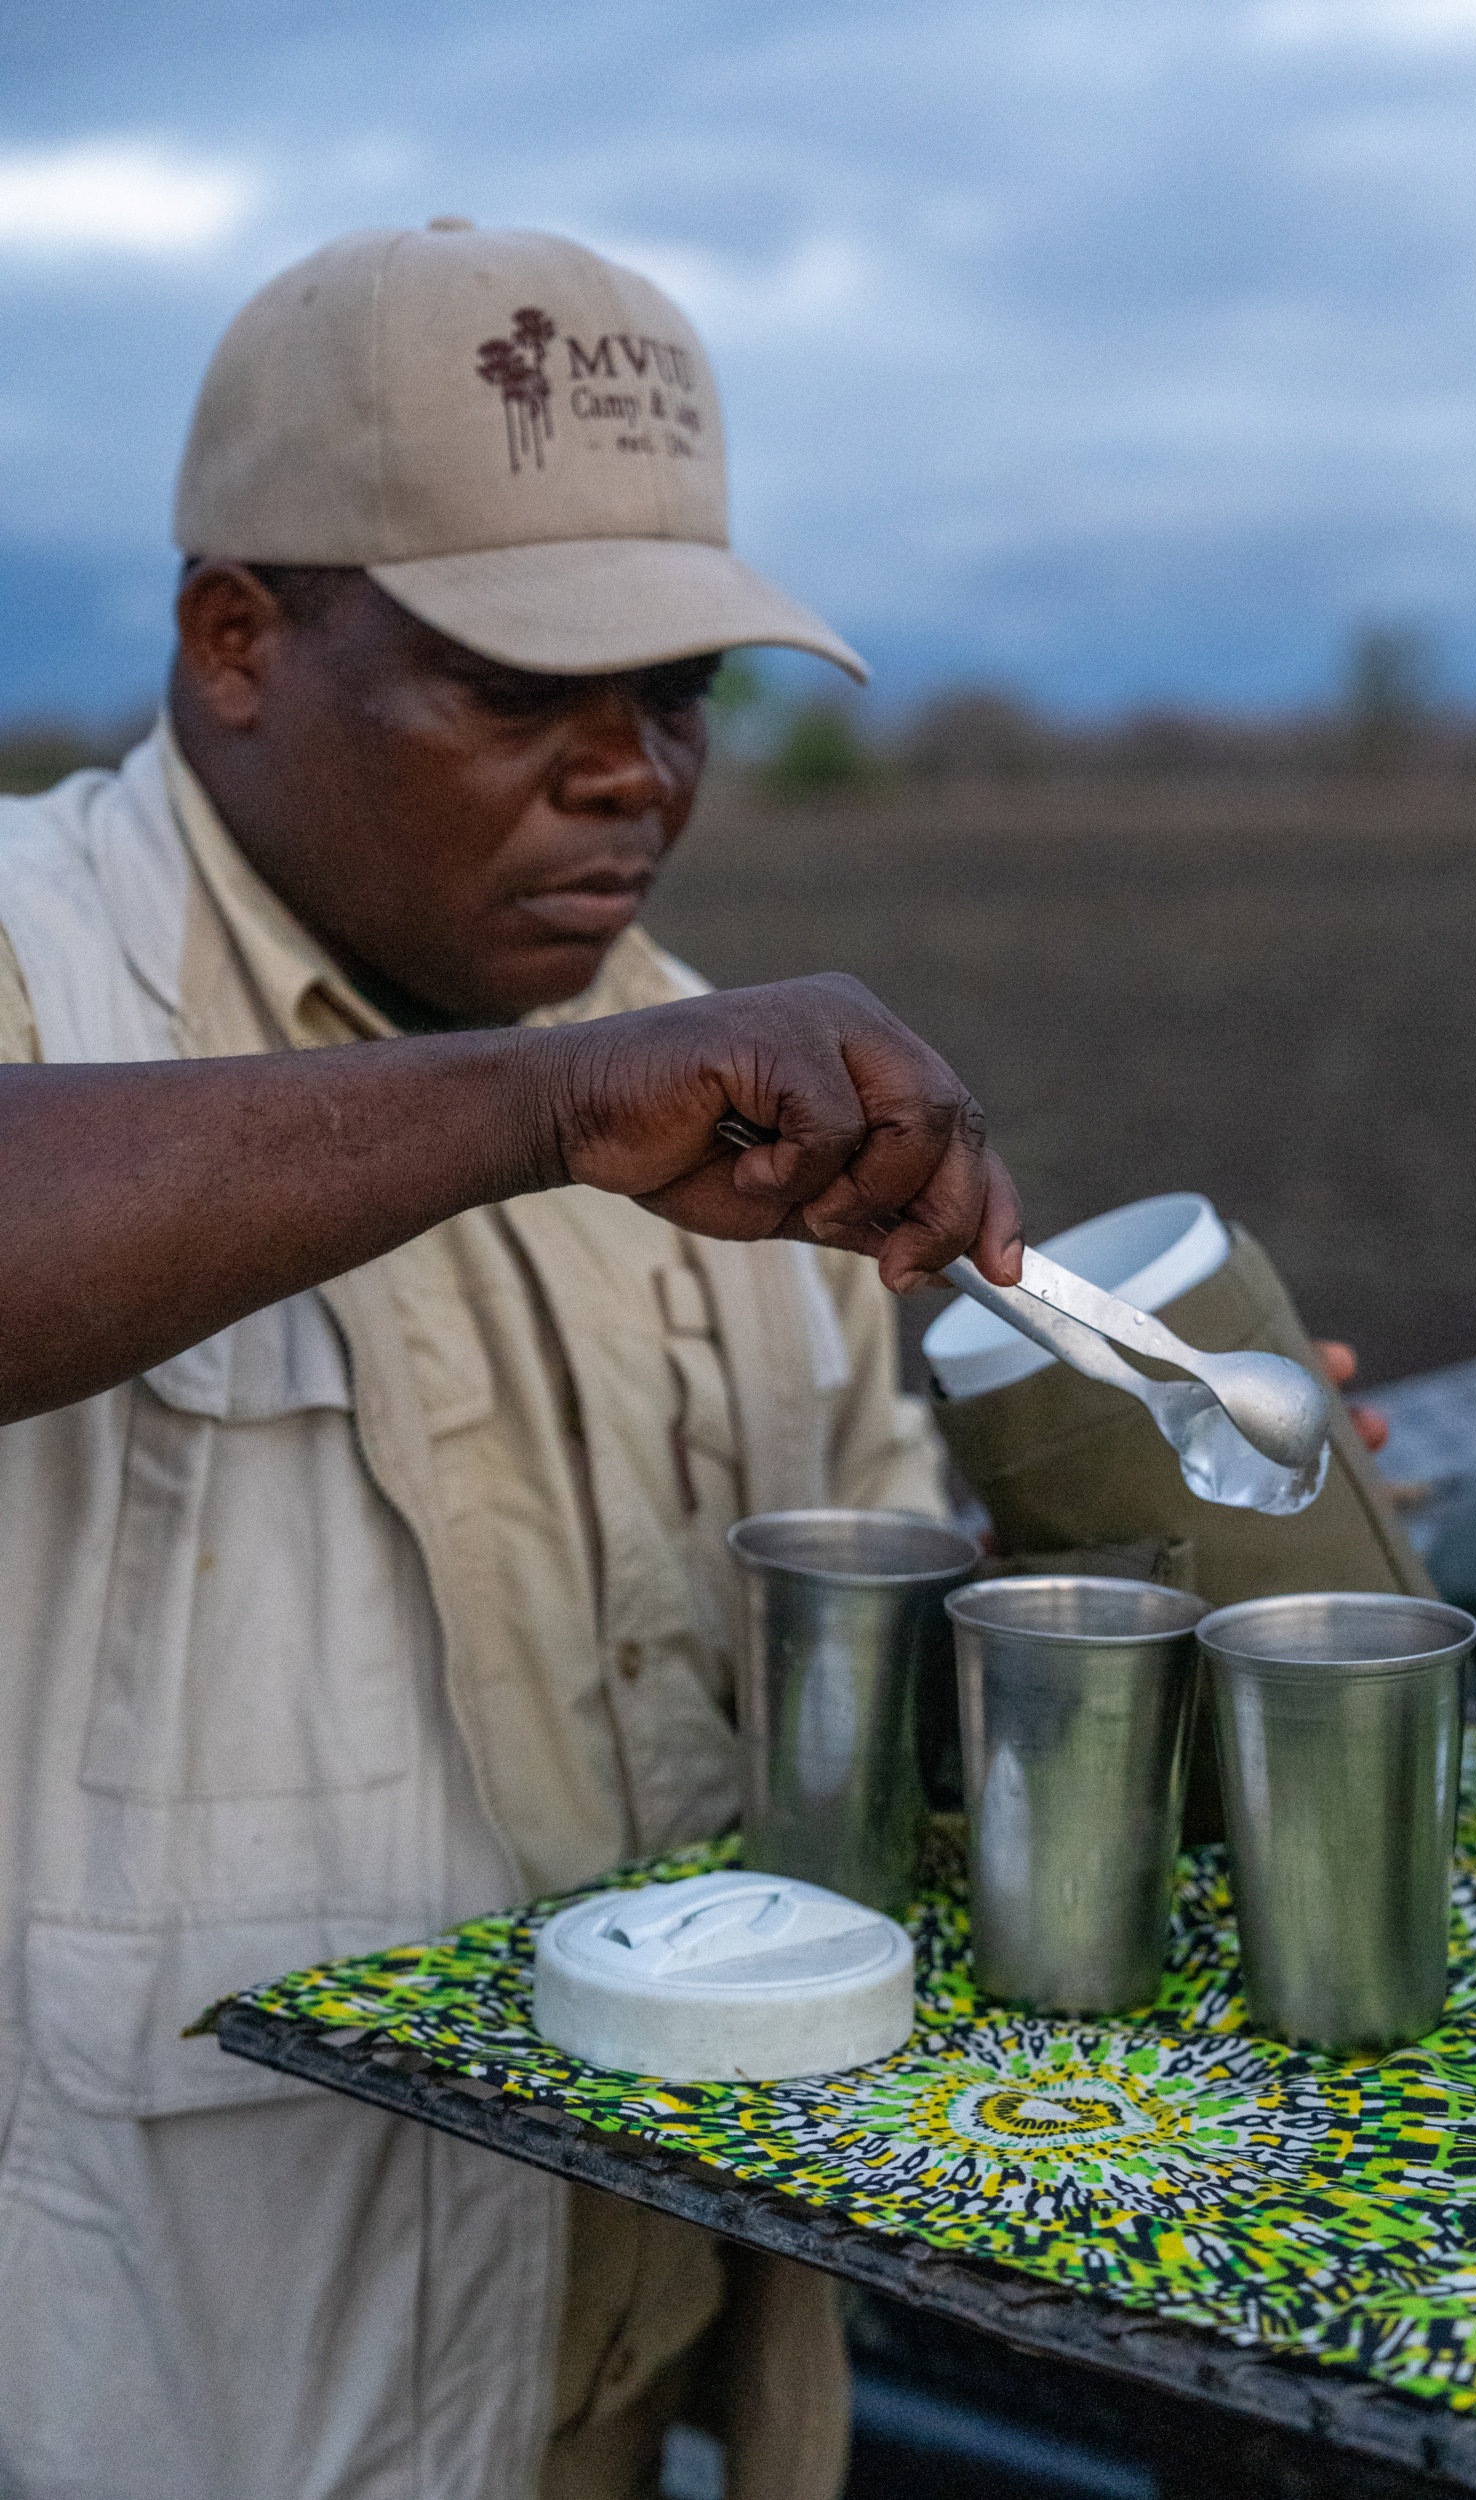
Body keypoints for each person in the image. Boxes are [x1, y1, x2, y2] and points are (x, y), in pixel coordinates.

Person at [0, 220, 1020, 2500]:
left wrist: (1079, 1541)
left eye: (678, 695)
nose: (627, 778)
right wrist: (529, 1103)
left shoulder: (715, 1072)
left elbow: (849, 1589)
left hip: (620, 2385)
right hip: (181, 2395)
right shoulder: (43, 962)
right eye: (515, 688)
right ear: (234, 637)